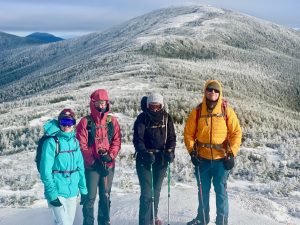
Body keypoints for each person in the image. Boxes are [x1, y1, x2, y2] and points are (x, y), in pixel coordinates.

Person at [184, 80, 242, 225]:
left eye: (216, 91)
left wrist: (232, 154)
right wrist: (192, 152)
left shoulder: (226, 110)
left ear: (220, 93)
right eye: (210, 89)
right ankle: (202, 219)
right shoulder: (197, 111)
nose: (213, 93)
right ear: (205, 91)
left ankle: (221, 221)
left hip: (221, 160)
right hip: (202, 160)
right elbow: (188, 134)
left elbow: (236, 132)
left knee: (221, 193)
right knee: (203, 192)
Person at [76, 89, 121, 225]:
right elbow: (81, 145)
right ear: (93, 103)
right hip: (92, 167)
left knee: (105, 195)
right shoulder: (85, 122)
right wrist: (93, 161)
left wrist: (110, 155)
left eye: (104, 103)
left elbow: (117, 140)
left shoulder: (111, 121)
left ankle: (104, 221)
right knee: (90, 197)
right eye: (99, 103)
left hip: (108, 165)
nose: (102, 106)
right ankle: (88, 222)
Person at [133, 93, 176, 225]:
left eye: (157, 106)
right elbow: (137, 139)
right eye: (152, 106)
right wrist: (145, 153)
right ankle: (144, 222)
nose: (155, 109)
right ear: (148, 106)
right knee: (147, 193)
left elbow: (171, 138)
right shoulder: (141, 119)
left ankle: (153, 217)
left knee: (156, 191)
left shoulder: (167, 118)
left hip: (161, 159)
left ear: (161, 105)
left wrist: (170, 151)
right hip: (145, 159)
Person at [40, 108, 88, 225]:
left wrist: (83, 190)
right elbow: (45, 170)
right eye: (64, 122)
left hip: (72, 192)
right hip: (57, 191)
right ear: (59, 123)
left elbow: (80, 167)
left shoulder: (75, 142)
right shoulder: (51, 143)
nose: (67, 126)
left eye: (70, 122)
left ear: (74, 124)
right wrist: (52, 194)